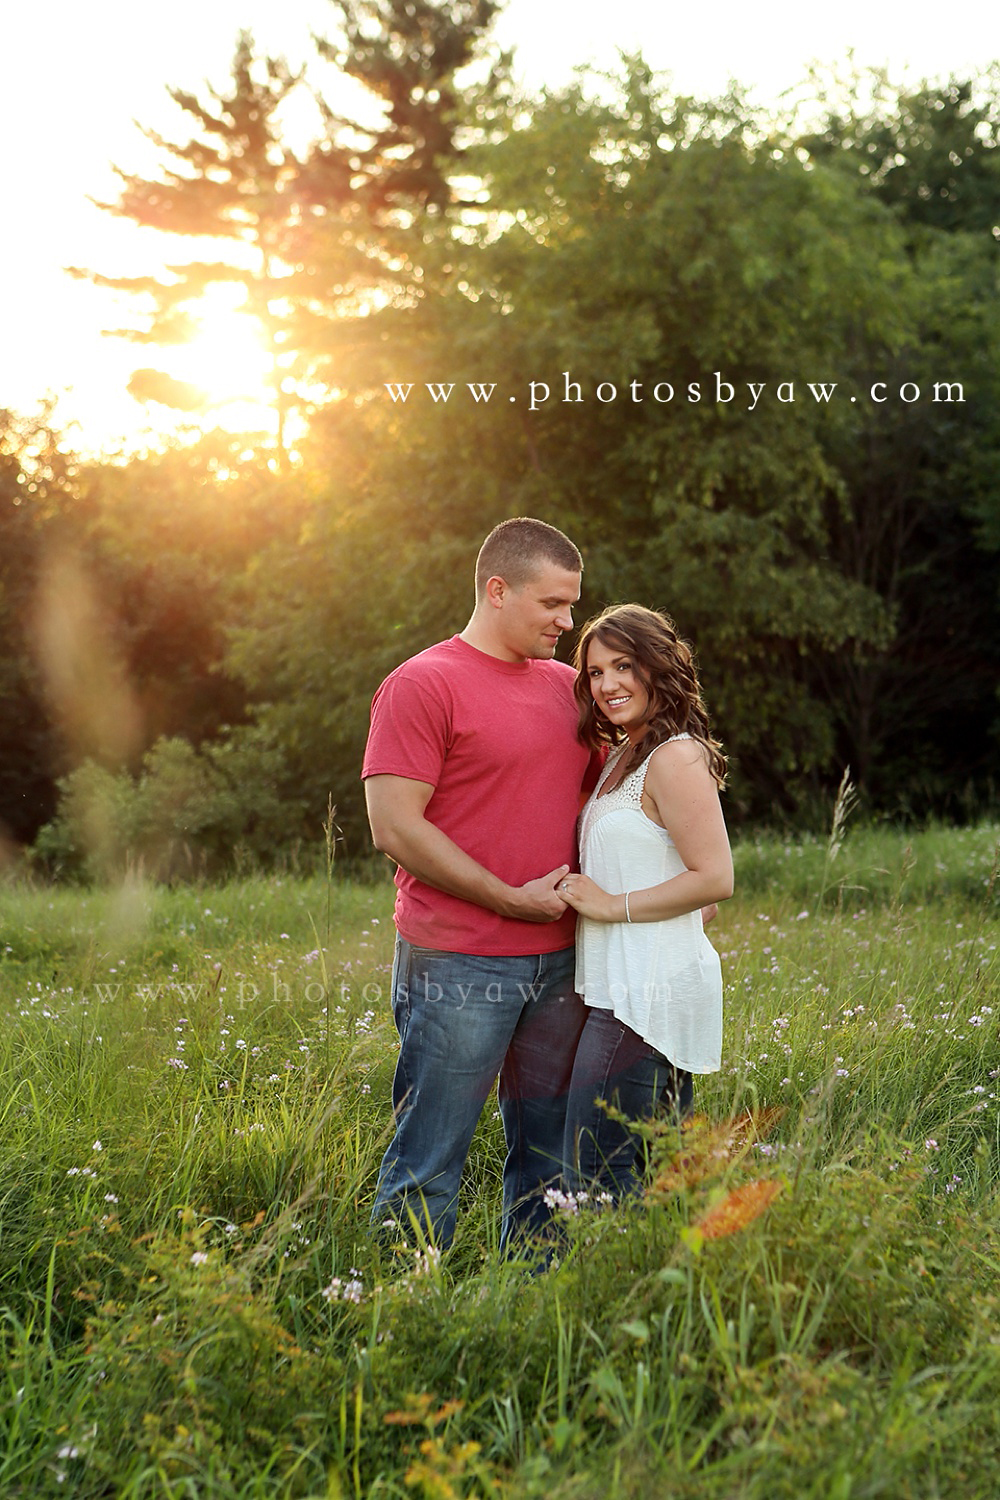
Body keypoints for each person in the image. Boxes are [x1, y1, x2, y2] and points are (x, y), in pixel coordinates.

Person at [362, 517, 596, 1251]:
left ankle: (533, 1309)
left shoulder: (570, 689)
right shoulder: (422, 684)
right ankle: (405, 1315)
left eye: (572, 604)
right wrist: (507, 897)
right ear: (498, 590)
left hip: (564, 960)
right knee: (430, 1157)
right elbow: (395, 827)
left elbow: (619, 797)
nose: (568, 622)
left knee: (551, 1156)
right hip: (457, 962)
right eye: (552, 605)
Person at [557, 603, 733, 1199]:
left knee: (592, 1175)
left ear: (657, 666)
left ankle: (599, 1288)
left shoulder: (675, 755)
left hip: (647, 996)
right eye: (595, 673)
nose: (607, 685)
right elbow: (678, 873)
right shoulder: (623, 757)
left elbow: (715, 877)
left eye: (623, 666)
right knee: (654, 1182)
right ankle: (655, 1289)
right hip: (625, 988)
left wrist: (612, 905)